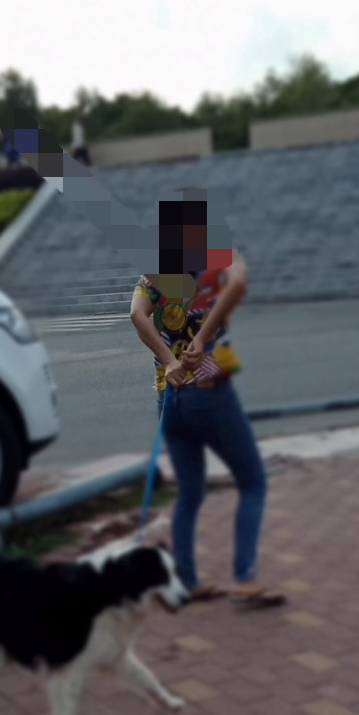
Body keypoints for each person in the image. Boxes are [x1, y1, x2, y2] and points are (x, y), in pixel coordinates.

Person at [130, 196, 285, 607]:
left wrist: (169, 361)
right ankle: (245, 577)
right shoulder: (214, 258)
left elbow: (136, 315)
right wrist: (201, 340)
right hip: (209, 384)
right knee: (252, 480)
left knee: (191, 493)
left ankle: (187, 580)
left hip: (169, 393)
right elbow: (239, 282)